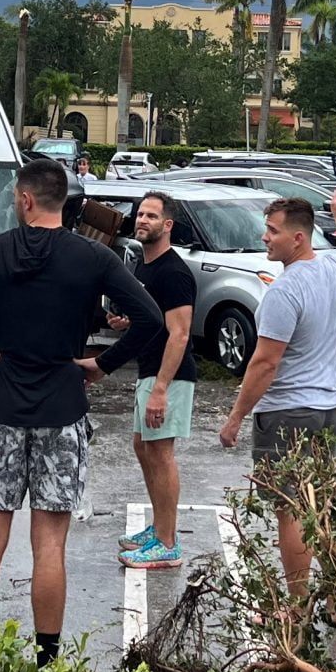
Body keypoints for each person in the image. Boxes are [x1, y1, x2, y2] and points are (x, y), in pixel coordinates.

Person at [0, 156, 162, 663]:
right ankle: (48, 662)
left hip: (3, 406)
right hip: (63, 409)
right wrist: (100, 364)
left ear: (25, 199)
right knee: (49, 543)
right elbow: (149, 318)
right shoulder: (91, 257)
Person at [218, 189, 336, 590]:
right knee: (322, 503)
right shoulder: (335, 272)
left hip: (288, 415)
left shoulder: (284, 292)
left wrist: (235, 418)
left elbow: (265, 363)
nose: (265, 237)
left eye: (272, 231)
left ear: (297, 238)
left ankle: (297, 606)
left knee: (293, 509)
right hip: (331, 408)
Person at [117, 190, 199, 570]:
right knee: (143, 446)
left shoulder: (173, 271)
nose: (142, 220)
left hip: (170, 376)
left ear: (167, 225)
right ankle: (159, 528)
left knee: (161, 453)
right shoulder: (144, 266)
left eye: (151, 216)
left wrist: (162, 389)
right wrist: (126, 322)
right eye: (140, 214)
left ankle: (168, 543)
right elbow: (152, 321)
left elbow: (180, 334)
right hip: (148, 370)